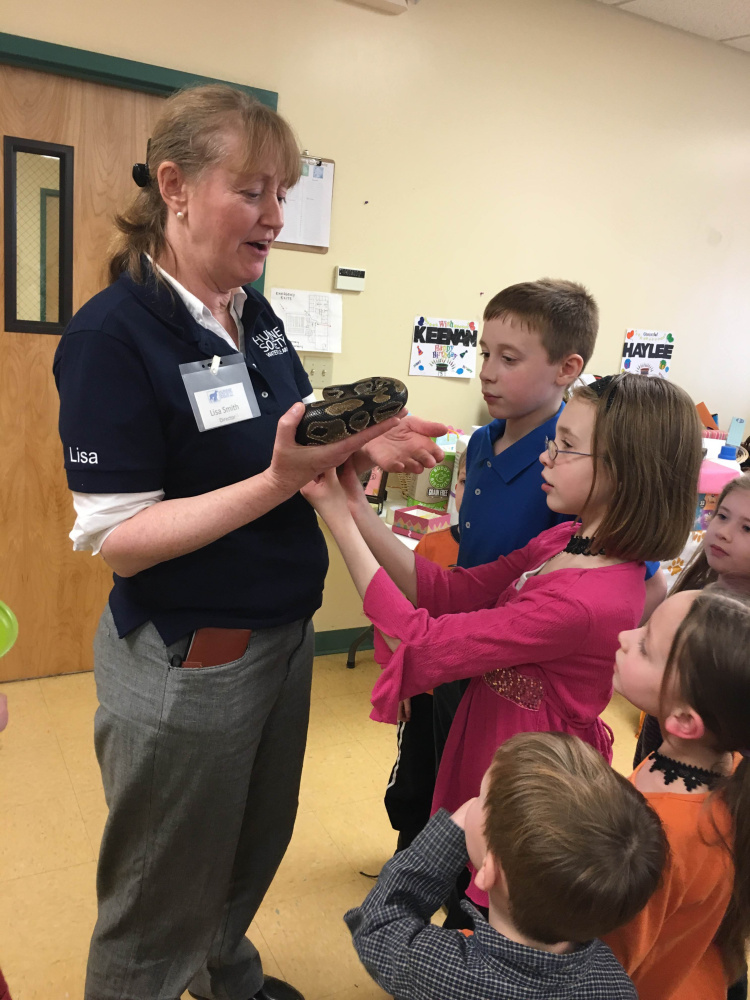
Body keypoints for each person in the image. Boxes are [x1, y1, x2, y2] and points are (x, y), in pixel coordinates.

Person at [52, 84, 446, 1000]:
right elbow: (124, 541)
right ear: (176, 186)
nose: (274, 217)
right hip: (193, 653)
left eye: (286, 194)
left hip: (282, 632)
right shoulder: (113, 336)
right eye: (254, 191)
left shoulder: (250, 308)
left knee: (250, 844)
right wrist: (275, 480)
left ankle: (223, 971)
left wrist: (358, 442)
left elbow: (293, 435)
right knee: (157, 889)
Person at [302, 373, 701, 916]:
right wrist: (353, 504)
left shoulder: (588, 598)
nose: (546, 457)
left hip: (530, 783)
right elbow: (452, 592)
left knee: (493, 910)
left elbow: (423, 640)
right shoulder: (564, 539)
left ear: (624, 469)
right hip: (493, 746)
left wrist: (336, 519)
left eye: (566, 447)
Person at [432, 280, 667, 770]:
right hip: (461, 642)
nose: (486, 374)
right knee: (430, 773)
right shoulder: (482, 443)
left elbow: (642, 582)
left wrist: (577, 674)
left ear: (567, 368)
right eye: (484, 354)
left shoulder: (578, 473)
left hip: (512, 675)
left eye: (509, 359)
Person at [344, 731, 668, 1000]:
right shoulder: (616, 985)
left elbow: (378, 923)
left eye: (481, 798)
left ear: (489, 869)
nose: (472, 801)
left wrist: (450, 832)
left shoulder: (437, 969)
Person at [604, 588, 750, 1000]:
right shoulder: (724, 770)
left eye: (645, 646)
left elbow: (608, 962)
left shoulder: (660, 837)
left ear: (685, 721)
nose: (625, 637)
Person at [634, 473, 750, 769]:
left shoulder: (739, 631)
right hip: (659, 742)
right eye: (722, 516)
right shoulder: (700, 591)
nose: (723, 532)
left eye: (747, 528)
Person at [384, 447, 466, 851]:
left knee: (462, 788)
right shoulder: (433, 546)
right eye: (467, 482)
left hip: (473, 698)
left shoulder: (514, 556)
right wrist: (400, 681)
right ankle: (405, 859)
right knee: (415, 783)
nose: (473, 492)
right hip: (426, 692)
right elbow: (399, 617)